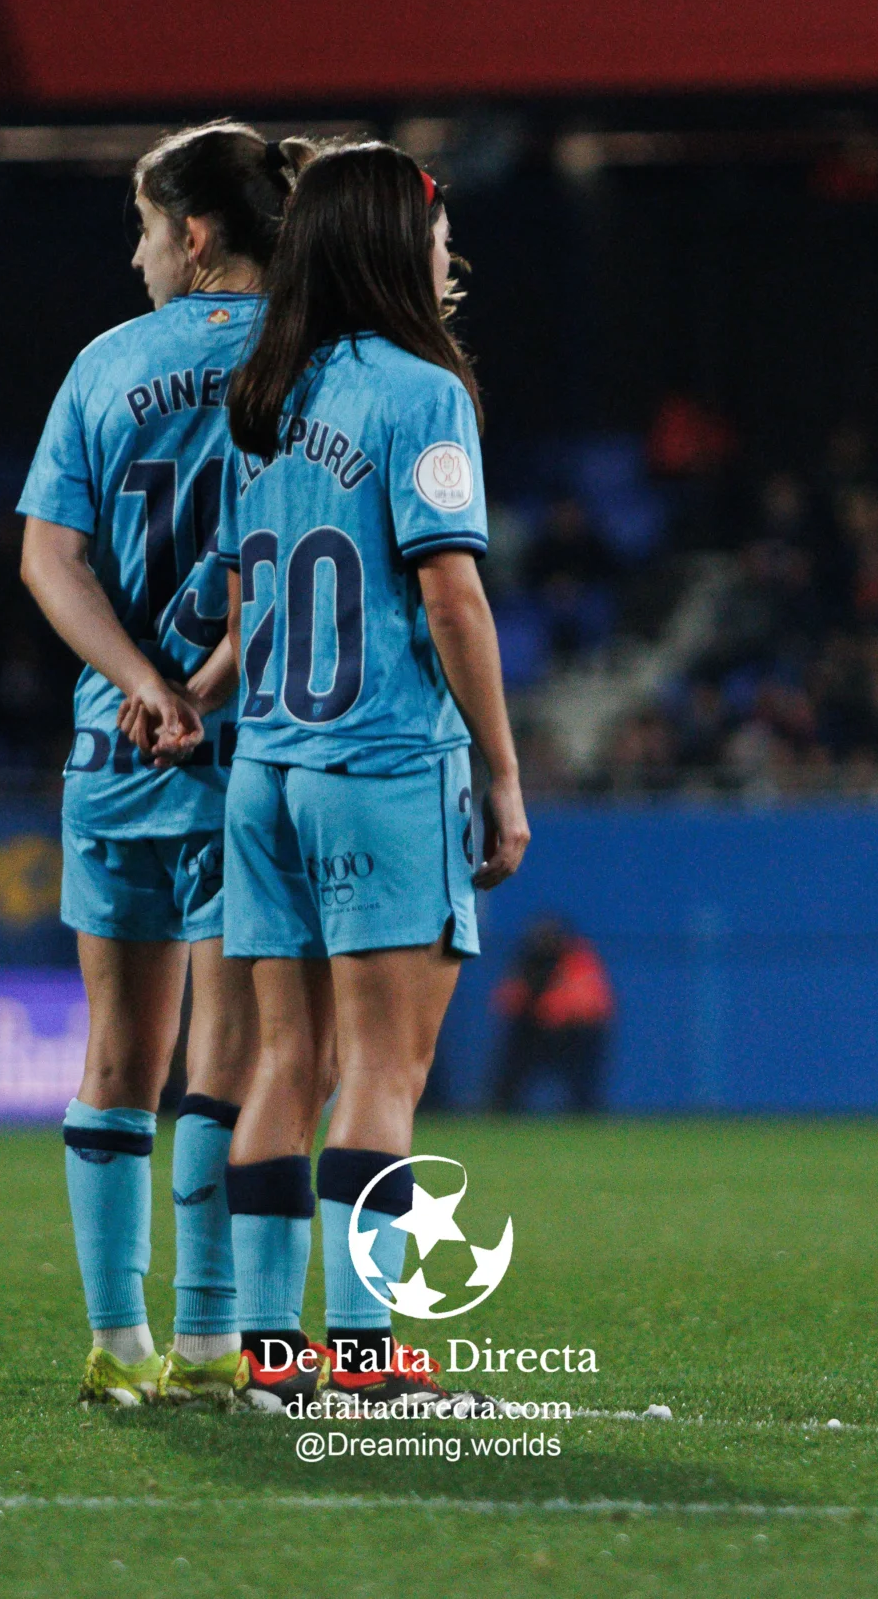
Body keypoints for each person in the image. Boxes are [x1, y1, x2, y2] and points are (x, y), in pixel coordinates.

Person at [213, 143, 531, 1412]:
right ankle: (362, 1361)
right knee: (384, 1076)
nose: (452, 255)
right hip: (381, 765)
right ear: (397, 246)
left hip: (266, 775)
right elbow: (451, 596)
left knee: (285, 1069)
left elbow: (245, 601)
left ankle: (266, 1355)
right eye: (438, 231)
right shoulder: (421, 393)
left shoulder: (265, 395)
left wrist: (196, 699)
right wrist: (503, 776)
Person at [16, 121, 303, 1409]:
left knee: (113, 1058)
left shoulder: (100, 366)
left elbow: (48, 559)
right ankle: (207, 1344)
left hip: (113, 748)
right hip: (248, 753)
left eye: (143, 230)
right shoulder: (313, 363)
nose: (137, 258)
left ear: (193, 235)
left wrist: (139, 689)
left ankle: (111, 1344)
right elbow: (291, 560)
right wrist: (199, 690)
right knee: (224, 1068)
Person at [490, 917, 614, 1114]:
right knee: (509, 1076)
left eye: (549, 936)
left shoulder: (577, 958)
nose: (544, 942)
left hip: (573, 1034)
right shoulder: (527, 962)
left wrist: (550, 1004)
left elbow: (592, 1003)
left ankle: (584, 1117)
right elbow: (505, 1000)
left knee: (583, 1085)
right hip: (533, 1031)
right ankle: (500, 1114)